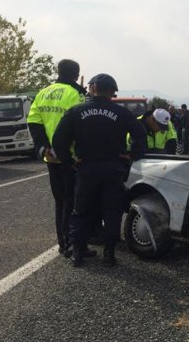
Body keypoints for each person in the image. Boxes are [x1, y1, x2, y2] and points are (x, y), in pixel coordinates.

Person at [52, 73, 147, 267]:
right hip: (113, 169)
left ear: (93, 88)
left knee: (81, 212)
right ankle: (109, 255)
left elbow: (58, 141)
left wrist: (70, 161)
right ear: (112, 92)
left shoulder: (76, 111)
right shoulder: (122, 113)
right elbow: (140, 134)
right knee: (111, 212)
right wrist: (131, 154)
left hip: (86, 169)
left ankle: (77, 254)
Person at [27, 59, 93, 258]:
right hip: (72, 158)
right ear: (76, 74)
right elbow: (83, 125)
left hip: (51, 158)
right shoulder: (76, 93)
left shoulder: (43, 92)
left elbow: (33, 121)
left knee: (60, 202)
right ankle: (72, 244)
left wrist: (44, 147)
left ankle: (63, 243)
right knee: (73, 202)